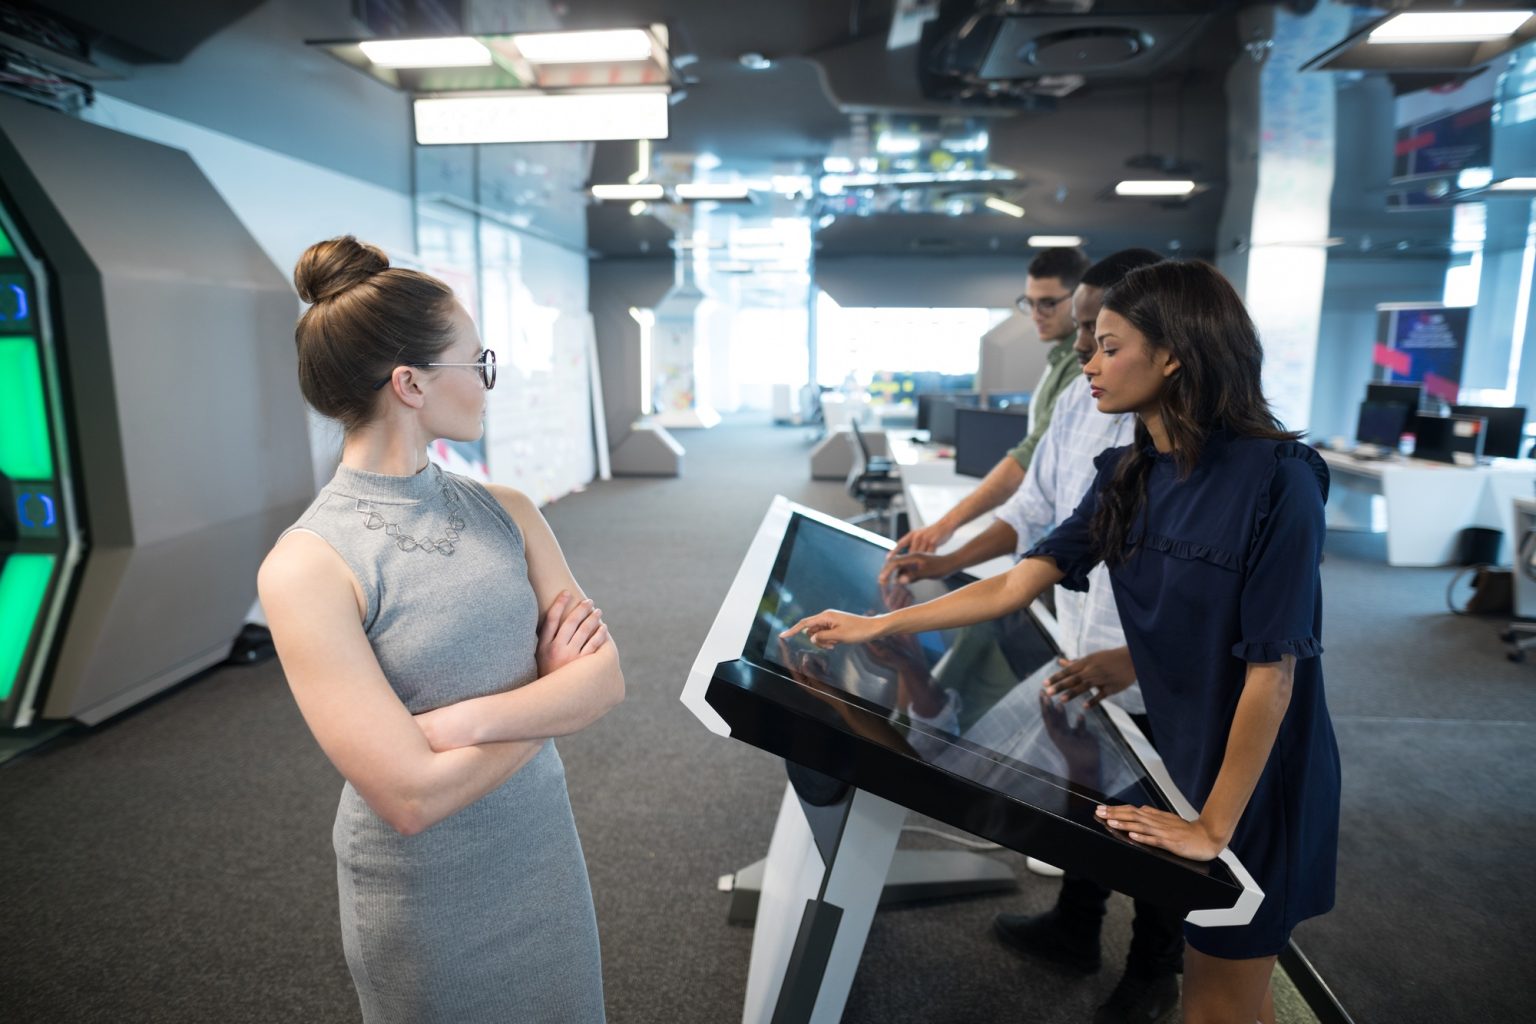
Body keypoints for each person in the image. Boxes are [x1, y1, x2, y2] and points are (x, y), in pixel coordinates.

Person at [784, 259, 1340, 1024]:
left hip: (1256, 777)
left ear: (1173, 353)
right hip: (1176, 750)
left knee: (1222, 996)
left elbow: (1272, 673)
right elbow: (1018, 581)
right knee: (1207, 984)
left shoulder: (1281, 478)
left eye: (1109, 346)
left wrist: (1214, 825)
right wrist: (882, 623)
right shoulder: (1129, 473)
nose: (1087, 362)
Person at [258, 236, 623, 1023]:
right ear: (411, 383)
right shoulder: (309, 566)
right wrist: (552, 696)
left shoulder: (511, 512)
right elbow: (410, 798)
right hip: (424, 891)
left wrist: (463, 721)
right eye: (477, 362)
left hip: (541, 850)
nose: (490, 380)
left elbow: (606, 679)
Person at [880, 249, 1182, 1023]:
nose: (1081, 353)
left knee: (1156, 820)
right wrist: (943, 559)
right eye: (1082, 333)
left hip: (1154, 663)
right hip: (1081, 635)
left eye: (1100, 337)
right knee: (1089, 793)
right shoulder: (1092, 409)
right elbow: (1038, 520)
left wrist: (1137, 656)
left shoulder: (1214, 456)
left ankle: (1154, 973)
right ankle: (1077, 927)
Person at [892, 246, 1090, 556]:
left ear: (1080, 298)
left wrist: (947, 524)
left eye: (1049, 303)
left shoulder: (1080, 368)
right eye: (1031, 303)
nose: (1037, 315)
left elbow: (1030, 456)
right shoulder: (1059, 359)